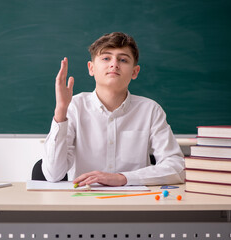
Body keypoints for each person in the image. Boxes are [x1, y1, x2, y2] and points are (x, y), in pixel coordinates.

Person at [42, 32, 185, 187]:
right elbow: (53, 174)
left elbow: (177, 167)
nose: (114, 64)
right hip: (83, 202)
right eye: (106, 58)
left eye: (123, 59)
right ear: (91, 68)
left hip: (136, 203)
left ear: (134, 72)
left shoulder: (150, 110)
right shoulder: (74, 107)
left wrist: (123, 178)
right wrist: (61, 111)